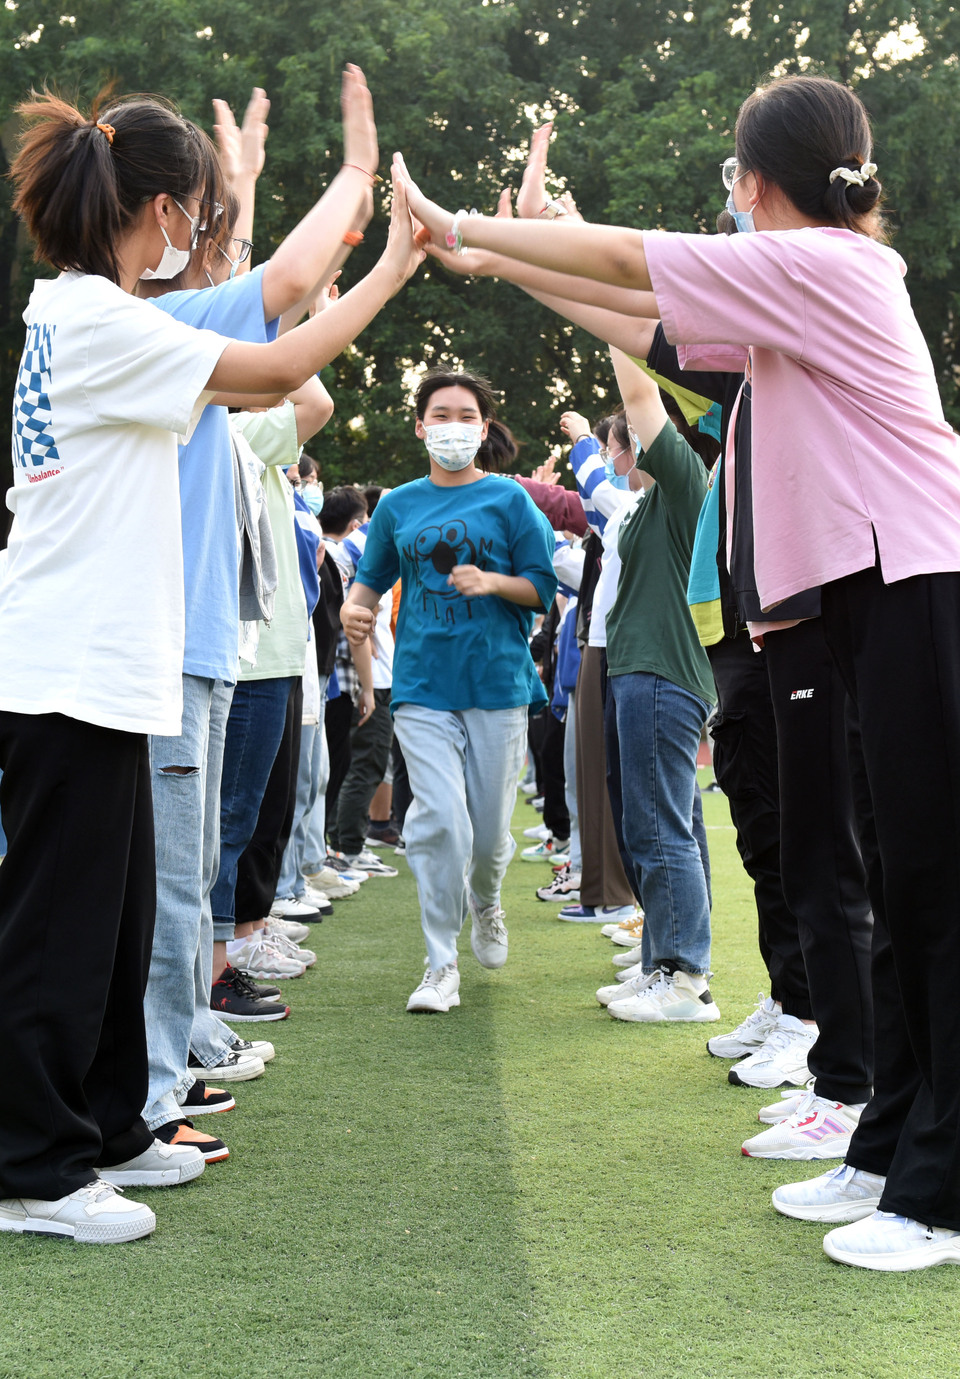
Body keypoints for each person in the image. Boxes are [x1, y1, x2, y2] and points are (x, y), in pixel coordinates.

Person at [395, 73, 960, 1270]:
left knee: (924, 887)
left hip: (919, 583)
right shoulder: (798, 290)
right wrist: (514, 264)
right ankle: (893, 1145)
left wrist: (468, 226)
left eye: (733, 181)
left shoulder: (833, 267)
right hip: (867, 594)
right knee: (898, 879)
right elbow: (648, 322)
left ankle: (944, 1183)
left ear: (758, 184)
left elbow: (640, 259)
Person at [0, 86, 420, 1245]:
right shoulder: (102, 322)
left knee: (124, 917)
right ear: (157, 210)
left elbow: (272, 314)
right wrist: (390, 266)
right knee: (62, 927)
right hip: (66, 670)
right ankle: (35, 1167)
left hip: (96, 666)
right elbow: (281, 365)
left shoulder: (93, 311)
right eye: (190, 216)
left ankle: (107, 1128)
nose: (196, 240)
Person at [341, 370, 557, 1013]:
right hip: (423, 689)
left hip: (496, 684)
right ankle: (440, 964)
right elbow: (367, 586)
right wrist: (356, 614)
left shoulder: (512, 501)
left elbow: (542, 587)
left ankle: (486, 901)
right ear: (420, 425)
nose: (453, 426)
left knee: (488, 836)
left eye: (466, 416)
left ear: (483, 428)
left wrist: (494, 583)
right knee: (438, 826)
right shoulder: (397, 506)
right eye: (441, 414)